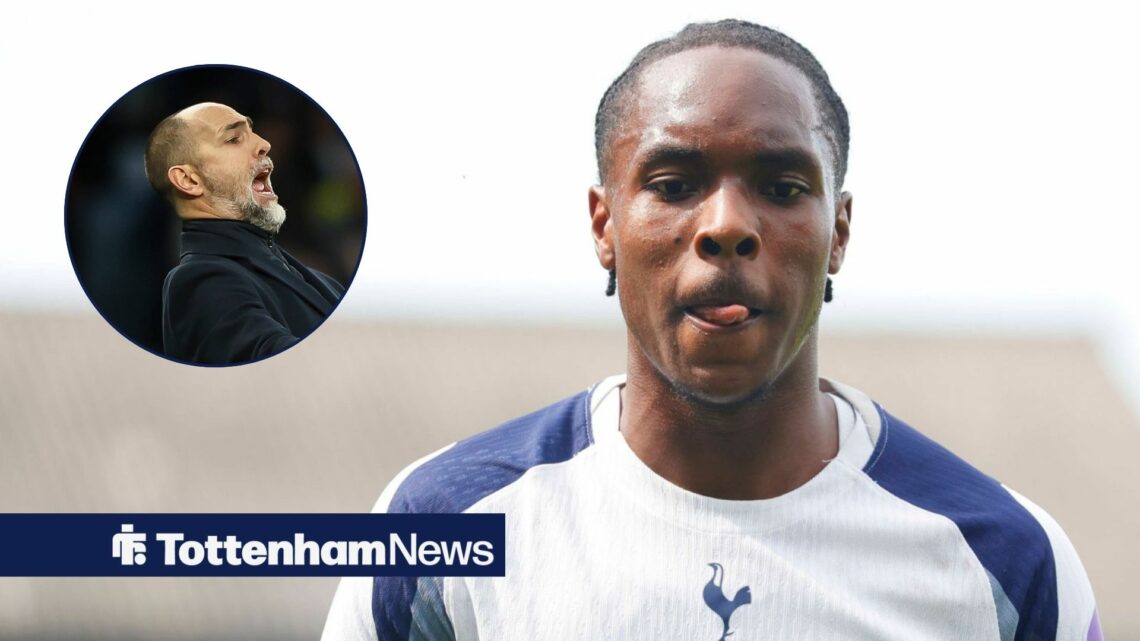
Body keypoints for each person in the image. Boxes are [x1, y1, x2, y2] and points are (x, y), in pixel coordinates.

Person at [323, 20, 1101, 641]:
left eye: (781, 185)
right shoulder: (441, 529)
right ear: (605, 224)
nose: (726, 226)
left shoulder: (1005, 560)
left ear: (838, 231)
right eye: (675, 184)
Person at [143, 102, 343, 365]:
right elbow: (285, 366)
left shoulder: (325, 283)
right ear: (189, 180)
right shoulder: (201, 279)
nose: (264, 143)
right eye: (234, 139)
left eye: (253, 132)